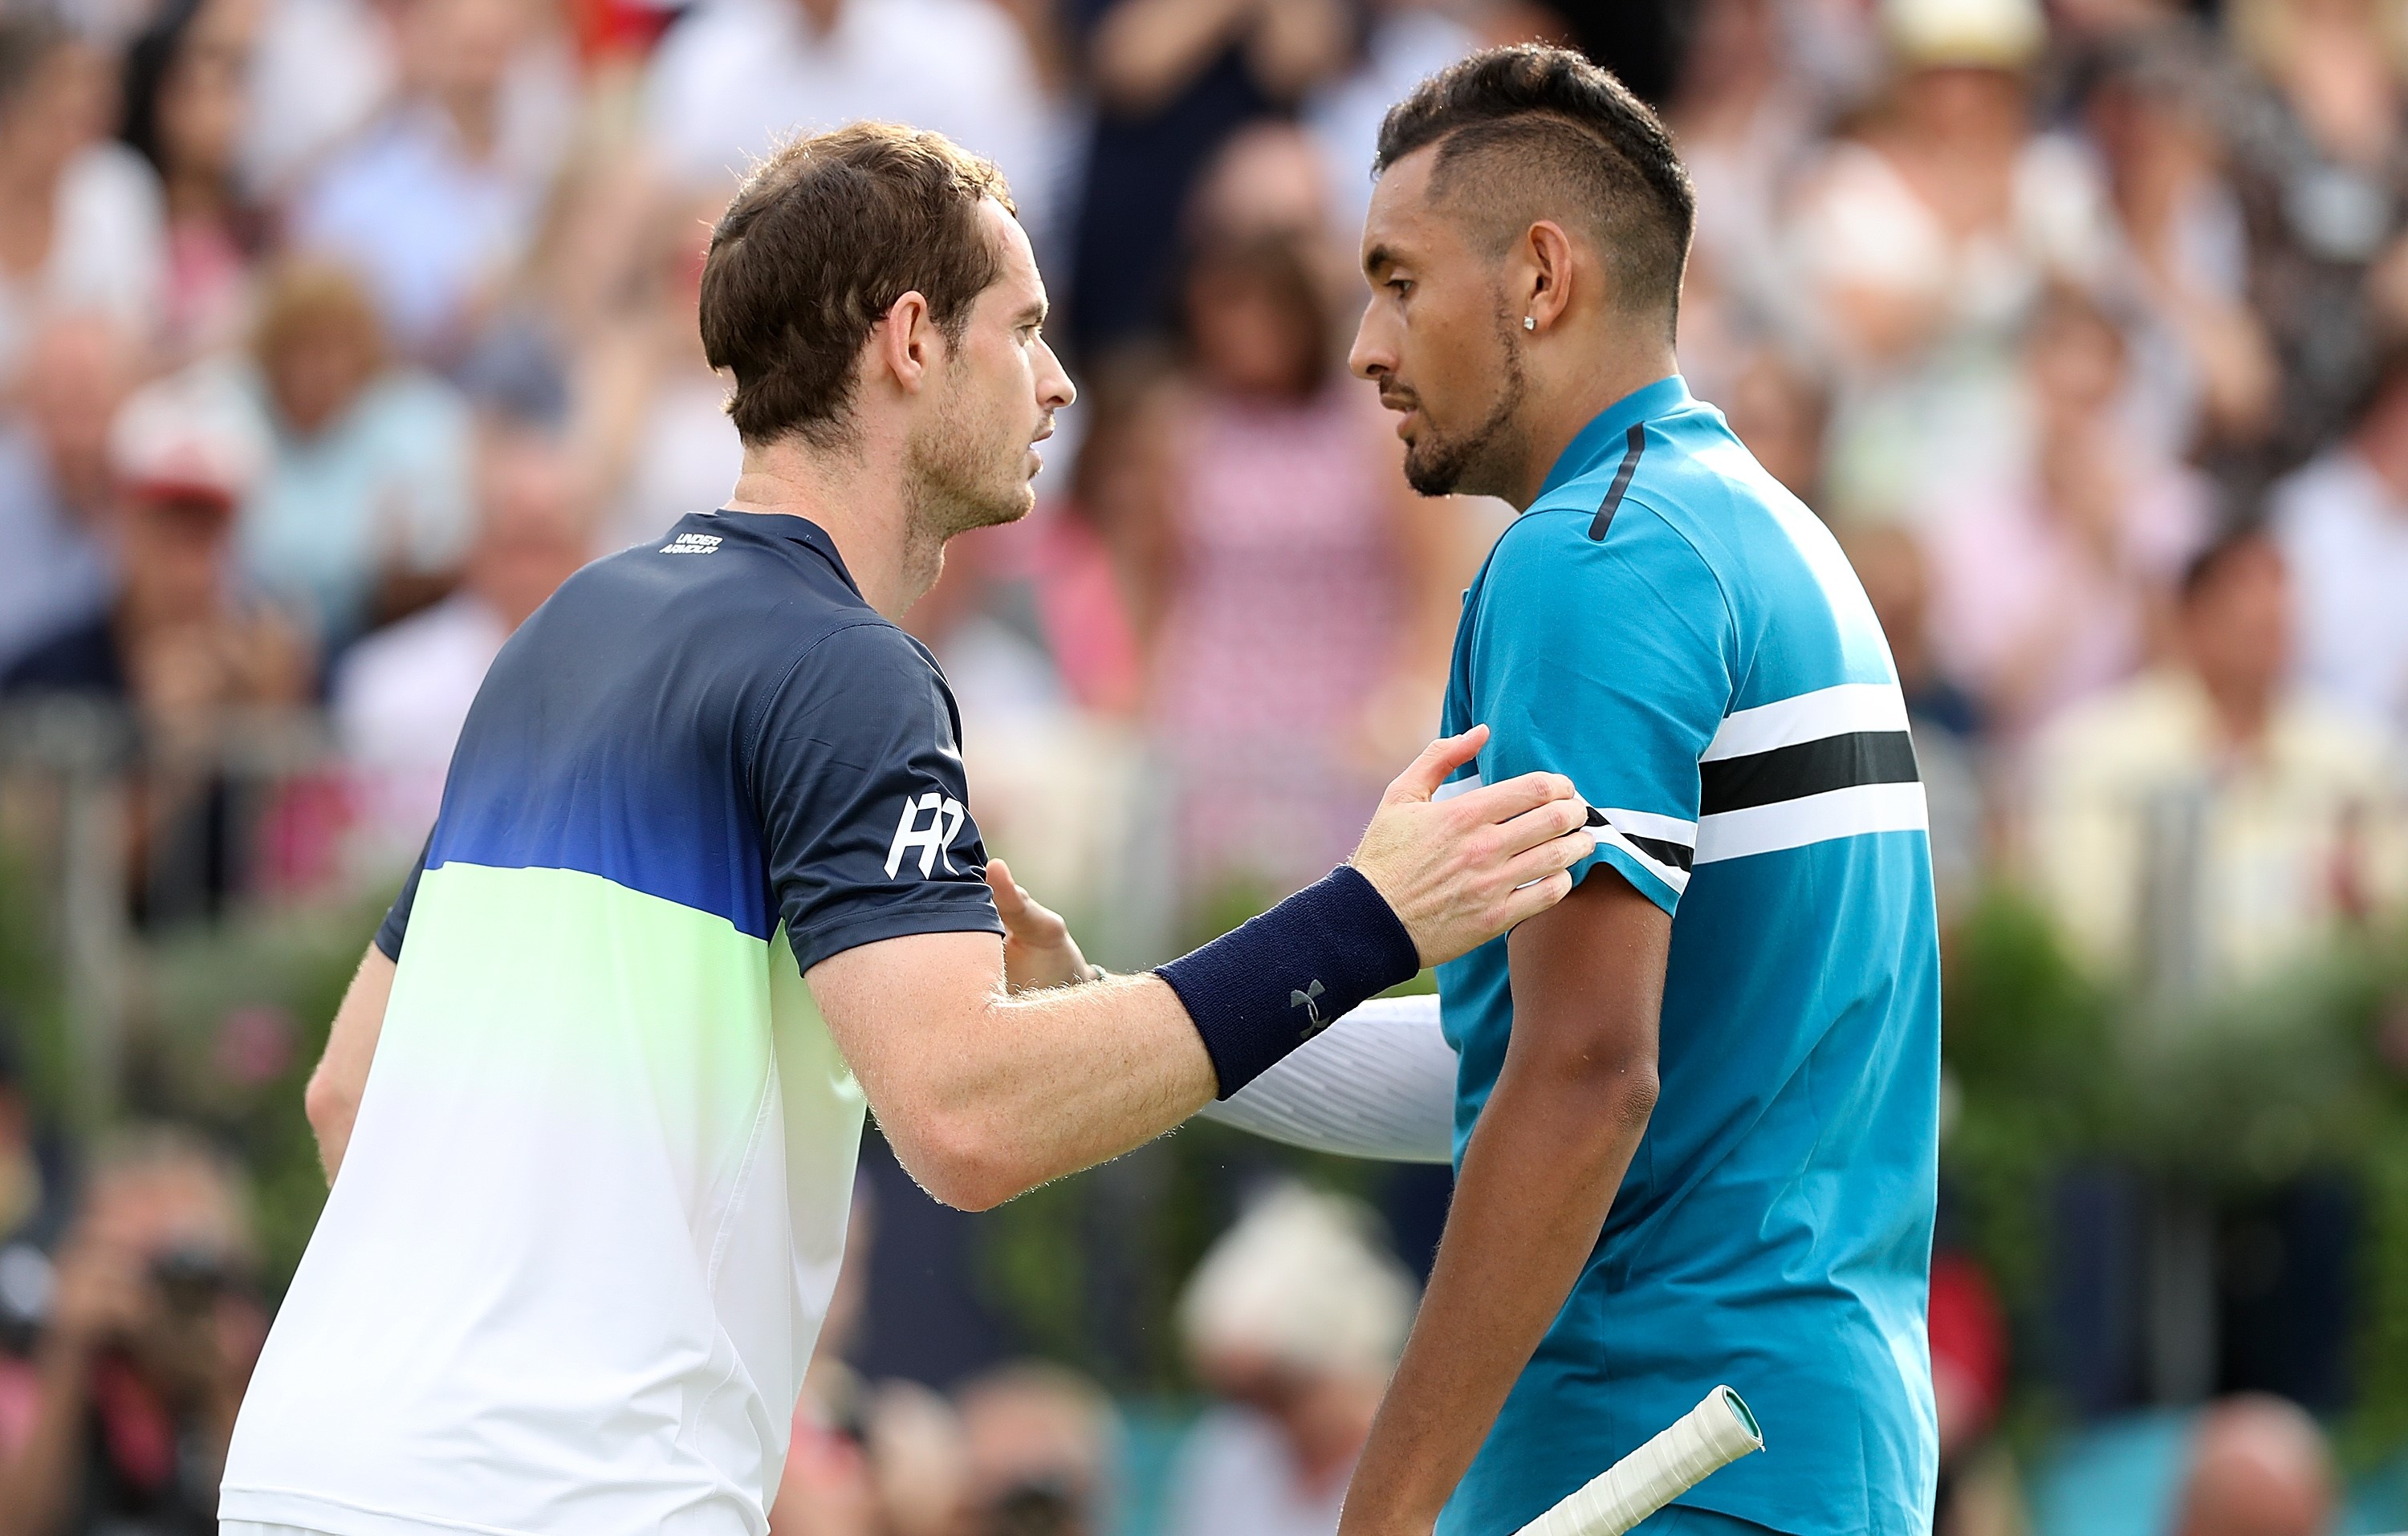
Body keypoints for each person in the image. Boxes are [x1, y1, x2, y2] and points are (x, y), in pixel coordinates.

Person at [218, 121, 1592, 1536]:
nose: (1059, 381)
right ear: (913, 339)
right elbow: (965, 1115)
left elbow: (346, 1092)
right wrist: (1369, 916)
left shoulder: (563, 627)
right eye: (1027, 328)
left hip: (311, 1462)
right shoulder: (847, 665)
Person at [1333, 46, 1940, 1535]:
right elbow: (1529, 1056)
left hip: (1651, 1454)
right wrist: (1149, 1028)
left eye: (1399, 280)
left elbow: (1588, 1077)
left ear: (1541, 278)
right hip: (1807, 1452)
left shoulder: (1592, 557)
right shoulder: (1762, 530)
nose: (1366, 342)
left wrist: (1386, 1504)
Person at [2022, 528, 2406, 987]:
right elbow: (2083, 928)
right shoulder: (2100, 754)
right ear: (2192, 620)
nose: (2268, 615)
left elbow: (2391, 904)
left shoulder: (2353, 754)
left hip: (2321, 1022)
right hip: (2157, 1025)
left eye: (2279, 617)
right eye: (2246, 617)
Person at [0, 1128, 268, 1536]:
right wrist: (67, 1354)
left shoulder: (250, 1361)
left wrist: (221, 1390)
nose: (158, 1296)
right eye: (135, 1261)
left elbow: (272, 1521)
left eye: (182, 1271)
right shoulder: (40, 1362)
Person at [1164, 1182, 1417, 1536]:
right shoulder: (1225, 1455)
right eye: (1243, 1397)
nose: (1264, 1419)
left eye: (1279, 1393)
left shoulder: (1427, 1460)